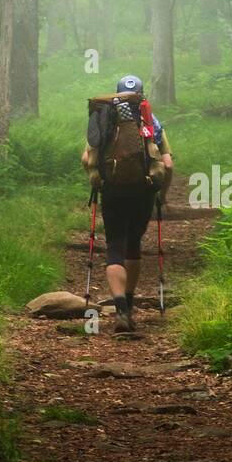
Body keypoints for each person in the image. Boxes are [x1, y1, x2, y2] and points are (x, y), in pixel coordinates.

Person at [82, 75, 173, 333]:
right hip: (143, 191)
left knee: (114, 247)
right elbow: (167, 165)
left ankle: (120, 309)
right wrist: (162, 195)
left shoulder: (104, 119)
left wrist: (97, 181)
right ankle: (130, 307)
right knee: (133, 246)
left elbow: (86, 157)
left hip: (113, 192)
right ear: (141, 95)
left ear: (117, 95)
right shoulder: (150, 121)